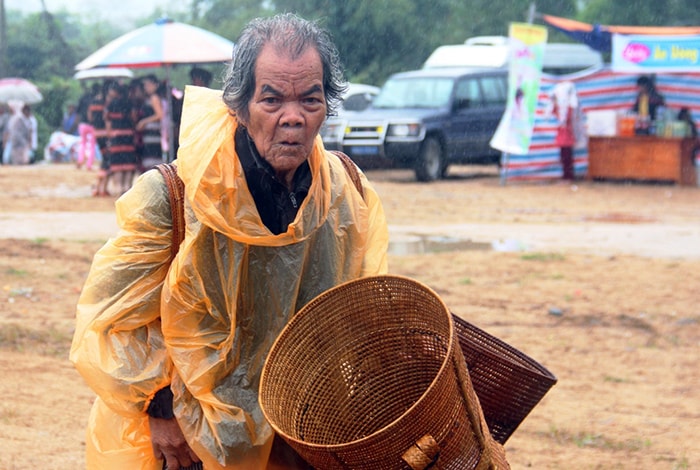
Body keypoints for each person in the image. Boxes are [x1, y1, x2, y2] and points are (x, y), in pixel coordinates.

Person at [70, 13, 389, 470]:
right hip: (186, 437)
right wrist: (162, 413)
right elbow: (112, 322)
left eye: (310, 100)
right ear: (238, 105)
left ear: (327, 105)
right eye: (272, 99)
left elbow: (357, 314)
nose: (293, 118)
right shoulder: (171, 197)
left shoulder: (346, 196)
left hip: (292, 436)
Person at [104, 81, 139, 195]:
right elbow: (134, 118)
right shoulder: (130, 103)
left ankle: (118, 188)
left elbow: (107, 119)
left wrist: (110, 135)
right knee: (128, 163)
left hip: (116, 137)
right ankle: (127, 188)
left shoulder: (110, 104)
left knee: (117, 164)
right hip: (128, 136)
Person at [550, 81, 580, 182]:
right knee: (564, 156)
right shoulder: (563, 108)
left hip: (567, 134)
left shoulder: (570, 107)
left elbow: (568, 118)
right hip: (563, 134)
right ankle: (566, 176)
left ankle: (569, 176)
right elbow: (554, 112)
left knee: (567, 156)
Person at [136, 74, 165, 171]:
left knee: (152, 160)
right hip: (150, 133)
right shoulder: (150, 98)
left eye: (148, 85)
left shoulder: (154, 98)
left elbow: (159, 114)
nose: (146, 87)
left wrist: (144, 121)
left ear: (155, 85)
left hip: (153, 133)